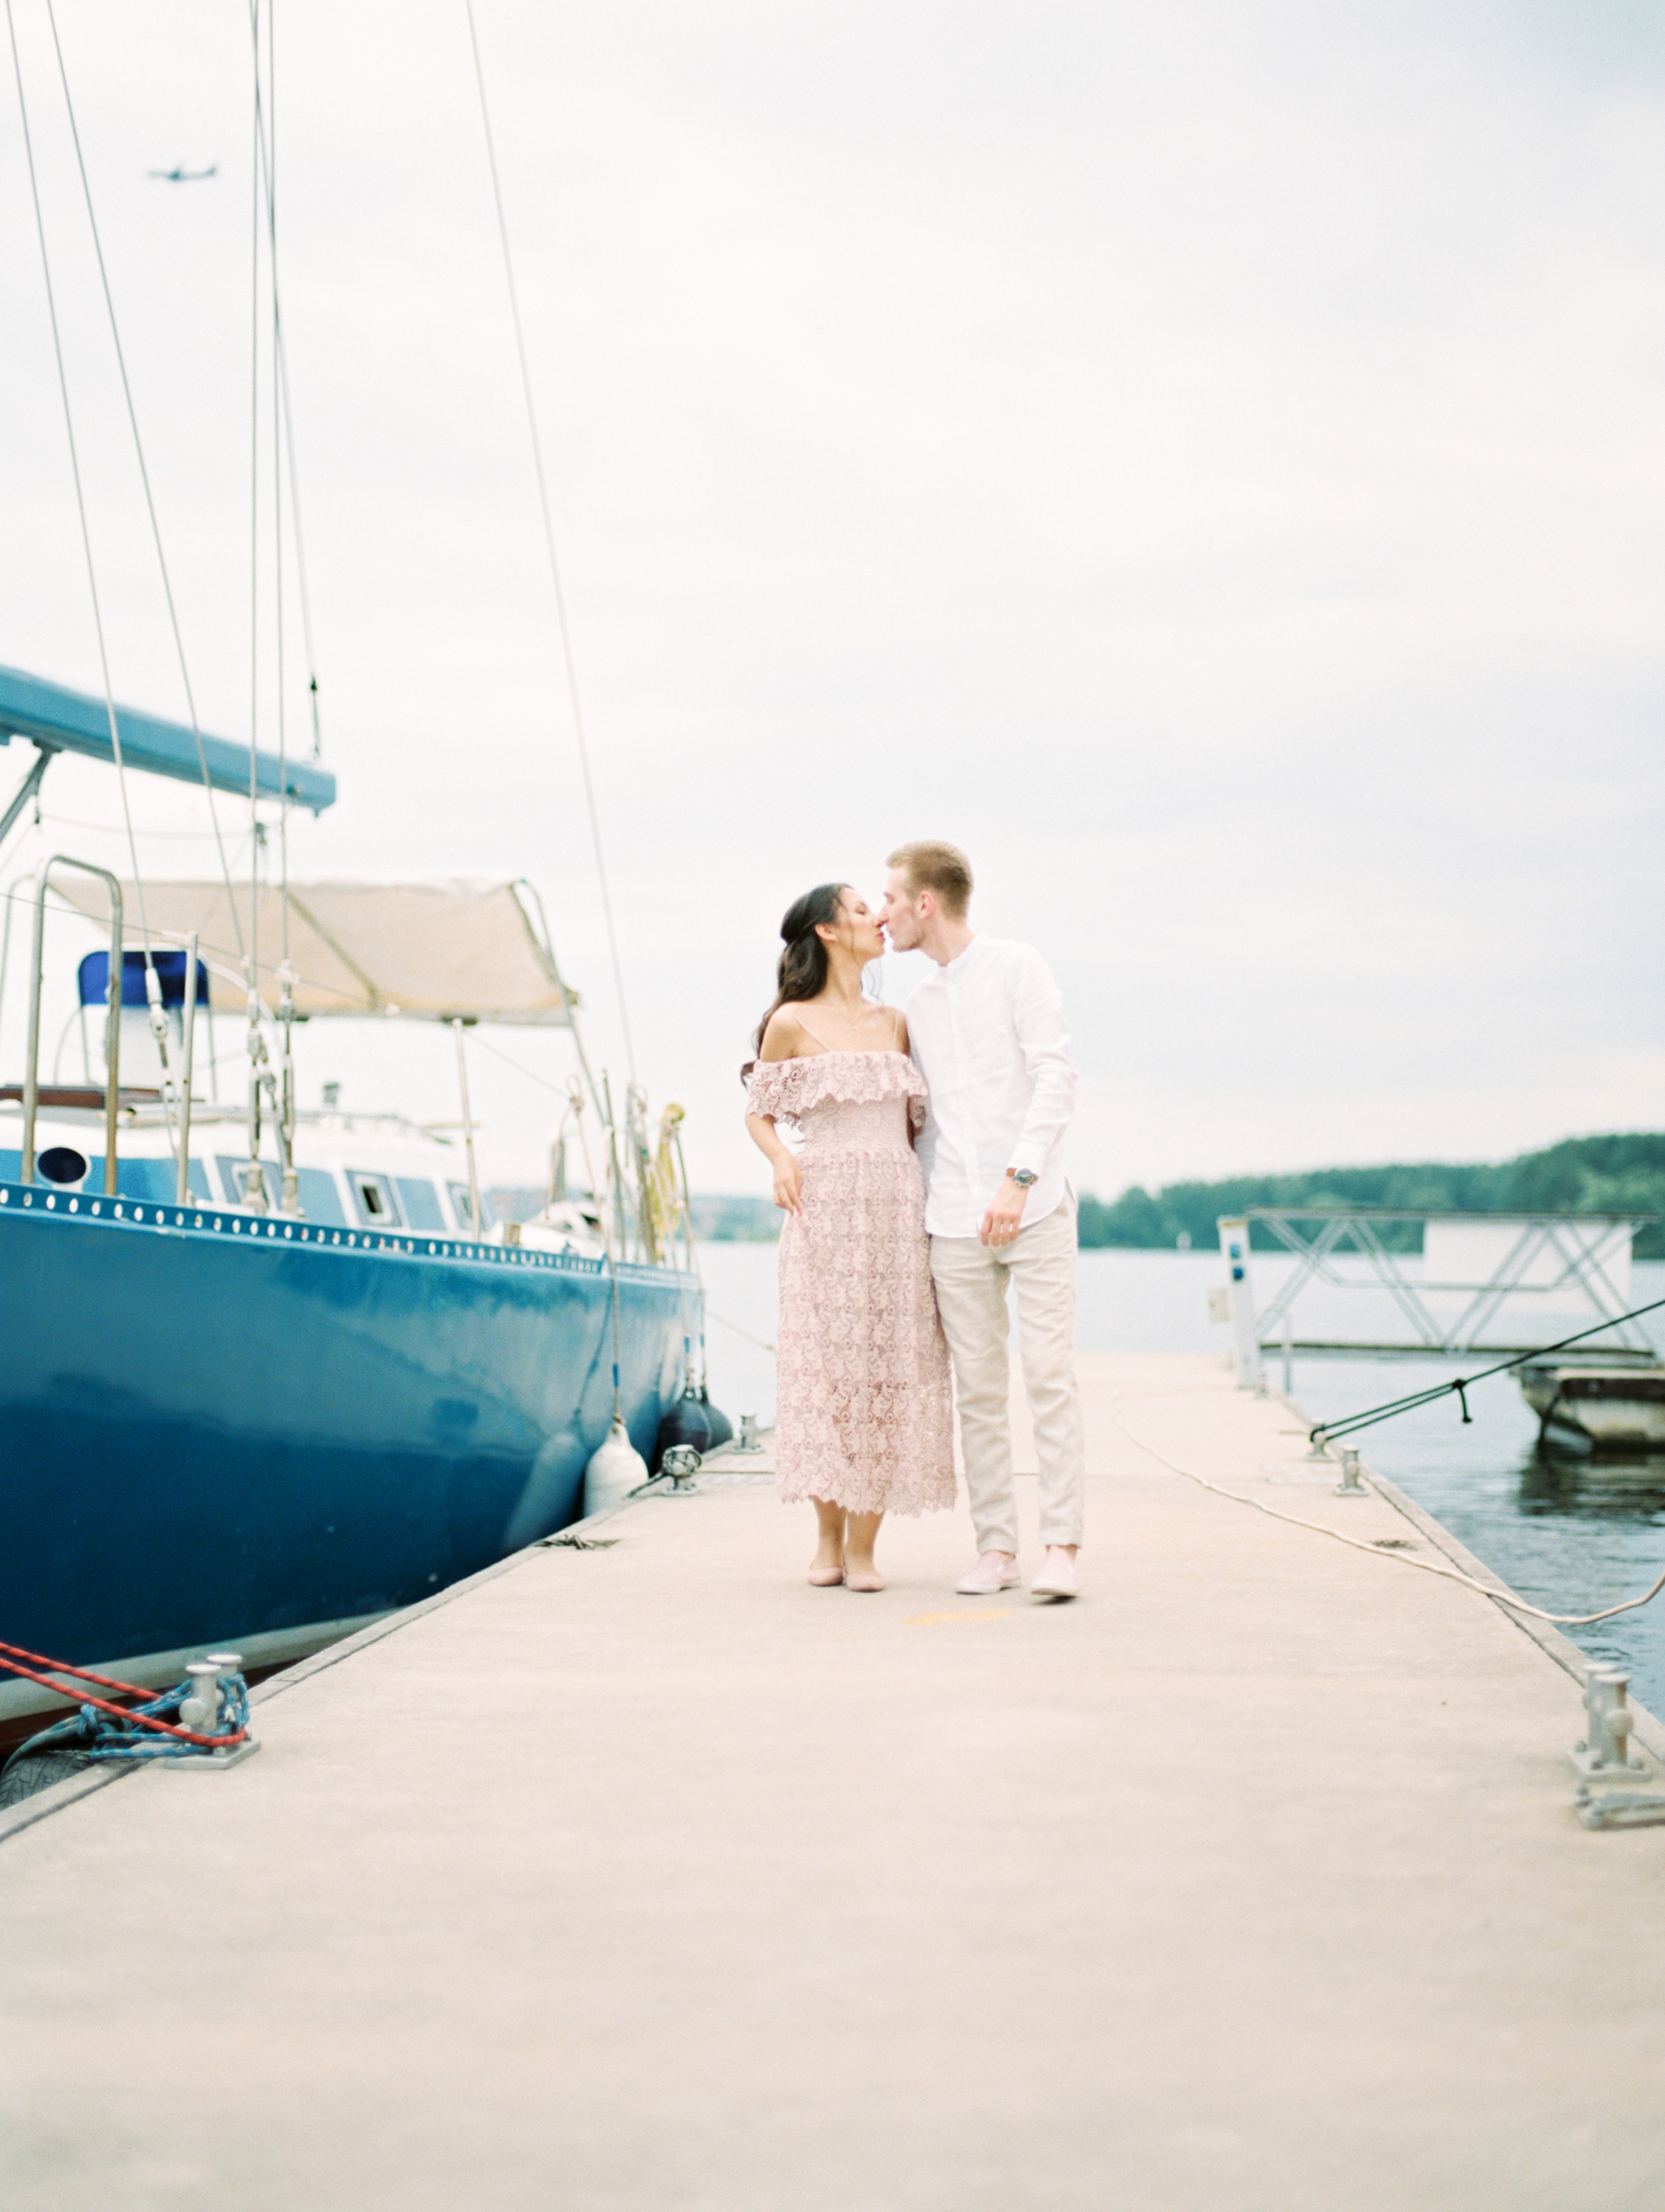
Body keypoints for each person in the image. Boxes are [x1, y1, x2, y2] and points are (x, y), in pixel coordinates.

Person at [880, 841, 1085, 1601]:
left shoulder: (1017, 967)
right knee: (977, 1389)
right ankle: (997, 1550)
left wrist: (1017, 1179)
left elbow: (1055, 1077)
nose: (884, 914)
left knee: (1048, 1373)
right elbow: (924, 1122)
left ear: (924, 903)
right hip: (952, 1220)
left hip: (1031, 1207)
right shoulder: (918, 1005)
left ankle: (1060, 1545)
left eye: (892, 900)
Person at [743, 883, 955, 1592]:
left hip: (895, 1205)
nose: (878, 917)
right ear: (829, 931)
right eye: (862, 908)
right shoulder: (791, 1022)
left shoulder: (897, 1021)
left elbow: (917, 1126)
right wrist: (781, 1160)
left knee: (889, 1371)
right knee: (826, 1374)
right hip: (824, 1203)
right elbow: (759, 1111)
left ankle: (866, 1549)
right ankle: (826, 1542)